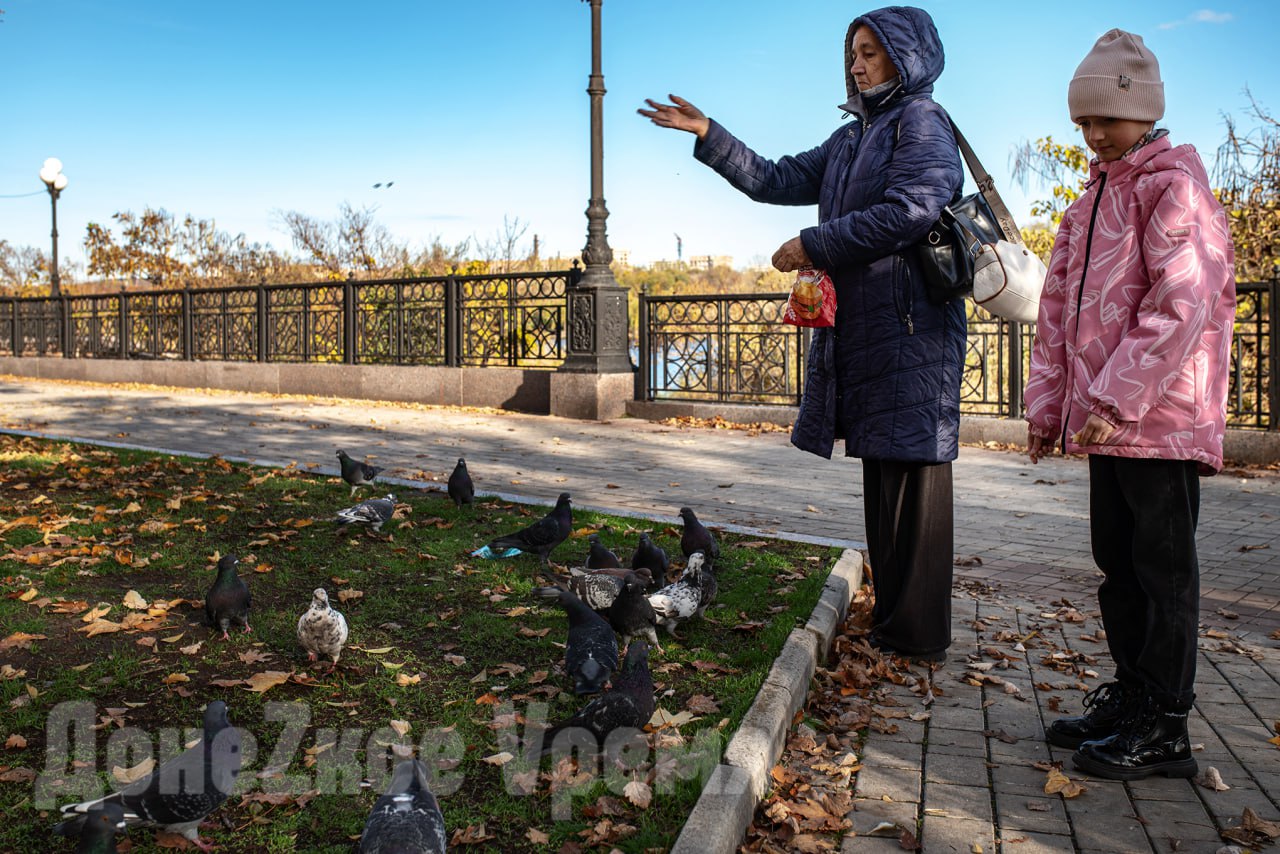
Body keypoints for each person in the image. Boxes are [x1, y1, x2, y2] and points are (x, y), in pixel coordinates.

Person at [639, 6, 965, 662]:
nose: (857, 64)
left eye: (871, 52)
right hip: (869, 331)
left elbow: (911, 210)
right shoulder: (849, 140)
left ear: (907, 57)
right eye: (853, 53)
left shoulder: (921, 121)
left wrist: (813, 243)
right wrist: (709, 133)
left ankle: (917, 637)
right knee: (883, 477)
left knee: (914, 481)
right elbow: (776, 178)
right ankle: (892, 625)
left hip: (913, 330)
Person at [1024, 29, 1235, 781]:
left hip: (1159, 419)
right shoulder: (1088, 204)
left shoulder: (1174, 188)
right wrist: (1049, 406)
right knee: (1117, 564)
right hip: (1105, 421)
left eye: (1105, 120)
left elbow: (1182, 300)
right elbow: (1056, 315)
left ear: (1144, 110)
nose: (1093, 134)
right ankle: (1133, 695)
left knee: (1162, 572)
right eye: (1082, 122)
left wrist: (1116, 396)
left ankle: (1167, 722)